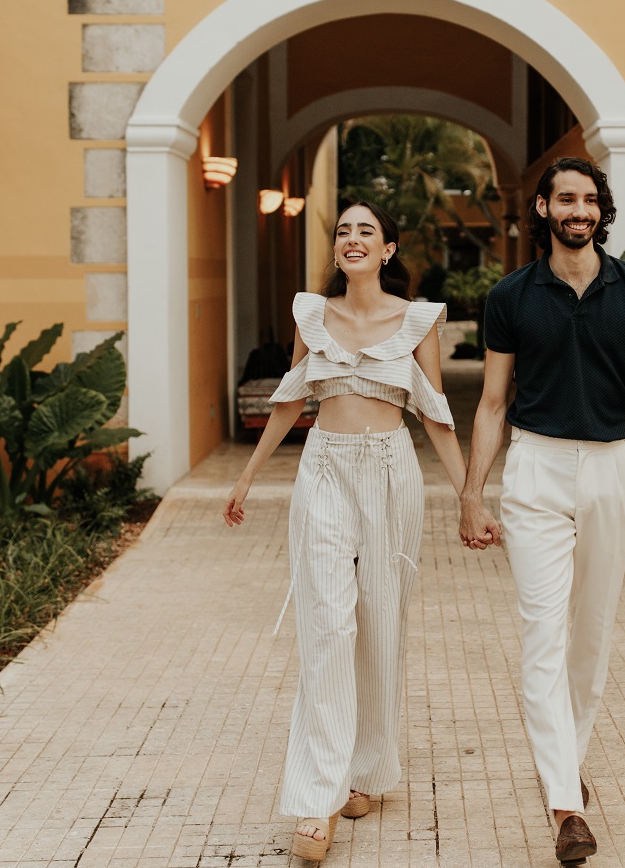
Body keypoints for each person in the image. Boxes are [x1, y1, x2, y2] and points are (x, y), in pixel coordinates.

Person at [458, 157, 625, 865]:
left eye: (589, 200)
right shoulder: (511, 295)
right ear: (544, 208)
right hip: (536, 468)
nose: (578, 210)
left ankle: (565, 763)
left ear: (600, 209)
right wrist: (471, 493)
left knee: (590, 634)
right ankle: (566, 804)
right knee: (542, 635)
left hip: (613, 468)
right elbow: (492, 403)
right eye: (565, 199)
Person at [223, 202, 467, 864]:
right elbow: (289, 401)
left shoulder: (418, 321)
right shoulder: (311, 314)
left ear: (388, 250)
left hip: (391, 473)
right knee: (328, 625)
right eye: (343, 231)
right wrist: (247, 477)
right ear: (336, 250)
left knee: (380, 624)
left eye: (366, 231)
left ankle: (366, 771)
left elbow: (436, 416)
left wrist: (470, 498)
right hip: (324, 470)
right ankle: (318, 797)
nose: (352, 239)